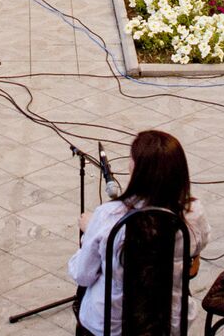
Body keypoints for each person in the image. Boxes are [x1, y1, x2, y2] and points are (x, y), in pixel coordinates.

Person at [68, 129, 208, 336]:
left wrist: (91, 231)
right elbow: (197, 248)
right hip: (168, 323)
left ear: (137, 169)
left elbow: (83, 274)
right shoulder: (192, 213)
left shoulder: (109, 216)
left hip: (111, 325)